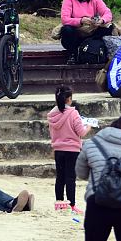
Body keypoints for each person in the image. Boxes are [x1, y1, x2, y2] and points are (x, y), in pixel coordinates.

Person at [48, 85, 90, 214]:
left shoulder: (52, 114)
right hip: (72, 150)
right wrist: (89, 126)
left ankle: (59, 202)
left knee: (60, 177)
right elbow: (81, 132)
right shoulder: (73, 113)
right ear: (69, 99)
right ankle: (71, 204)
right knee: (70, 178)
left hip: (58, 149)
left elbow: (52, 132)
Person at [60, 0, 114, 64]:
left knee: (109, 27)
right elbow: (65, 19)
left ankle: (92, 47)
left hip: (92, 30)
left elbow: (107, 13)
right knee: (66, 30)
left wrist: (101, 20)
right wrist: (81, 20)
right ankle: (73, 54)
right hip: (76, 31)